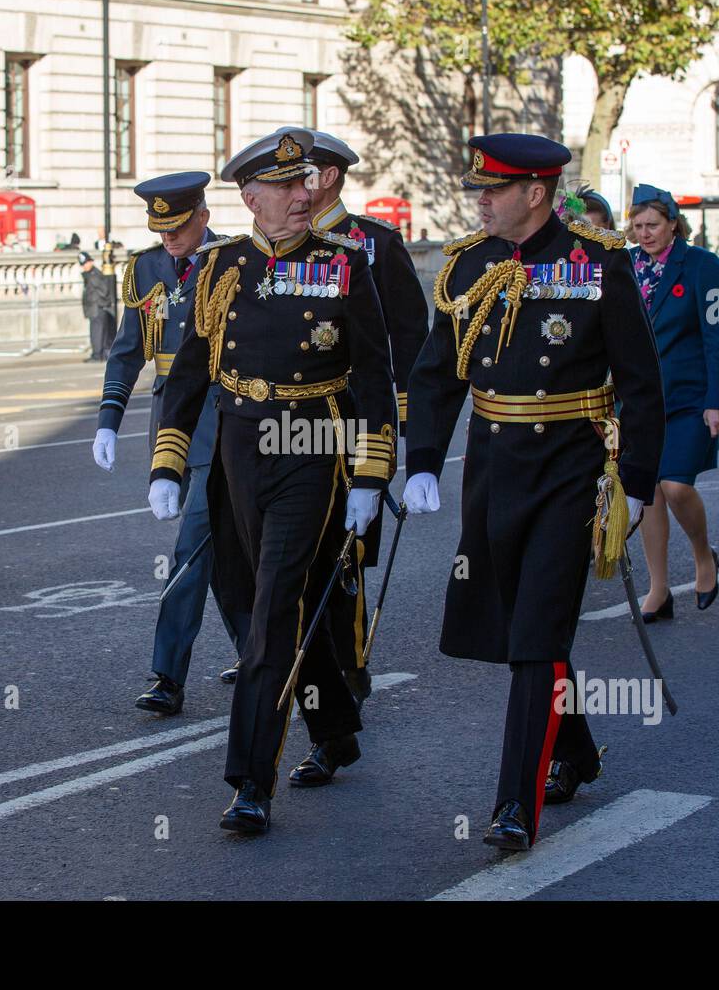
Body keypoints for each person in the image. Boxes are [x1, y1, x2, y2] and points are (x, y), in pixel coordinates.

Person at [402, 134, 665, 851]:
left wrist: (636, 482)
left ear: (536, 194)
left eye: (493, 190)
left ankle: (515, 804)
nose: (480, 201)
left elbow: (640, 382)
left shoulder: (597, 261)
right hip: (492, 464)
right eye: (479, 190)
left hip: (570, 467)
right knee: (523, 624)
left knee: (536, 635)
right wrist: (422, 457)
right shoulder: (469, 264)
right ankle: (575, 749)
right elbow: (436, 371)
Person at [147, 128, 396, 833]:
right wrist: (167, 463)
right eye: (287, 186)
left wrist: (372, 475)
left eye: (308, 182)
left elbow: (375, 377)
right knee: (257, 597)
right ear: (251, 198)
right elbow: (188, 370)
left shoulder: (346, 264)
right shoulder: (222, 265)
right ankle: (335, 729)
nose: (304, 195)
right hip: (236, 452)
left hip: (312, 448)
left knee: (271, 614)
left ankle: (250, 781)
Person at [95, 172, 248, 715]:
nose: (169, 238)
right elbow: (128, 349)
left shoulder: (234, 260)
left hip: (218, 420)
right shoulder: (146, 266)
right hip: (168, 422)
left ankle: (168, 675)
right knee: (220, 551)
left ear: (202, 216)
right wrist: (109, 417)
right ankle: (259, 653)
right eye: (161, 228)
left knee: (192, 550)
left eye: (178, 227)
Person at [287, 127, 429, 707]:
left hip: (353, 423)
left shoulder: (373, 245)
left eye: (301, 176)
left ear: (329, 178)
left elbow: (410, 336)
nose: (293, 188)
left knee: (346, 555)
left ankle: (347, 675)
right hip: (287, 427)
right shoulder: (279, 245)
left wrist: (397, 419)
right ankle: (287, 656)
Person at [626, 184, 719, 620]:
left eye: (653, 225)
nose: (645, 233)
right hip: (638, 400)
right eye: (637, 226)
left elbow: (718, 336)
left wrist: (716, 400)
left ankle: (704, 555)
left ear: (673, 223)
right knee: (647, 492)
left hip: (689, 397)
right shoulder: (626, 264)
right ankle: (660, 588)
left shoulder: (704, 266)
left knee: (675, 484)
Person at [79, 251, 116, 362]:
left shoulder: (94, 276)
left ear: (90, 262)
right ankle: (99, 354)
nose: (84, 266)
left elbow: (104, 291)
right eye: (83, 264)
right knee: (97, 332)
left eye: (86, 263)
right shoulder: (91, 275)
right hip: (95, 308)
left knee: (97, 333)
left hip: (97, 308)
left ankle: (97, 355)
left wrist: (101, 304)